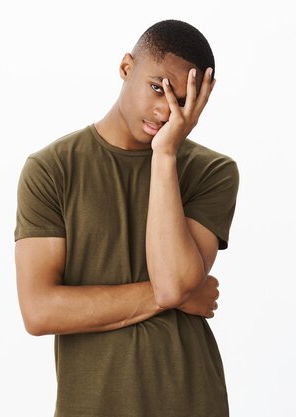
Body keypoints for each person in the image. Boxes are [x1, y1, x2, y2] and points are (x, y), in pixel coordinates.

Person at [14, 19, 239, 417]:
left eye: (182, 102)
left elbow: (173, 285)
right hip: (93, 404)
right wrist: (179, 296)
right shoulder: (52, 169)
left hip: (191, 400)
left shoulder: (212, 172)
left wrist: (165, 155)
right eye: (158, 88)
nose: (165, 111)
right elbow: (40, 310)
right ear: (125, 67)